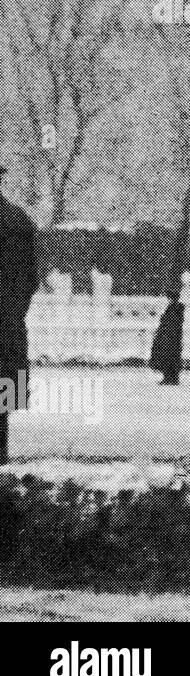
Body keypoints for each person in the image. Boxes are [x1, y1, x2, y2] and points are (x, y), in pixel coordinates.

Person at [0, 166, 39, 465]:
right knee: (2, 405)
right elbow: (30, 280)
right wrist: (13, 311)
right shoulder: (19, 222)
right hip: (8, 328)